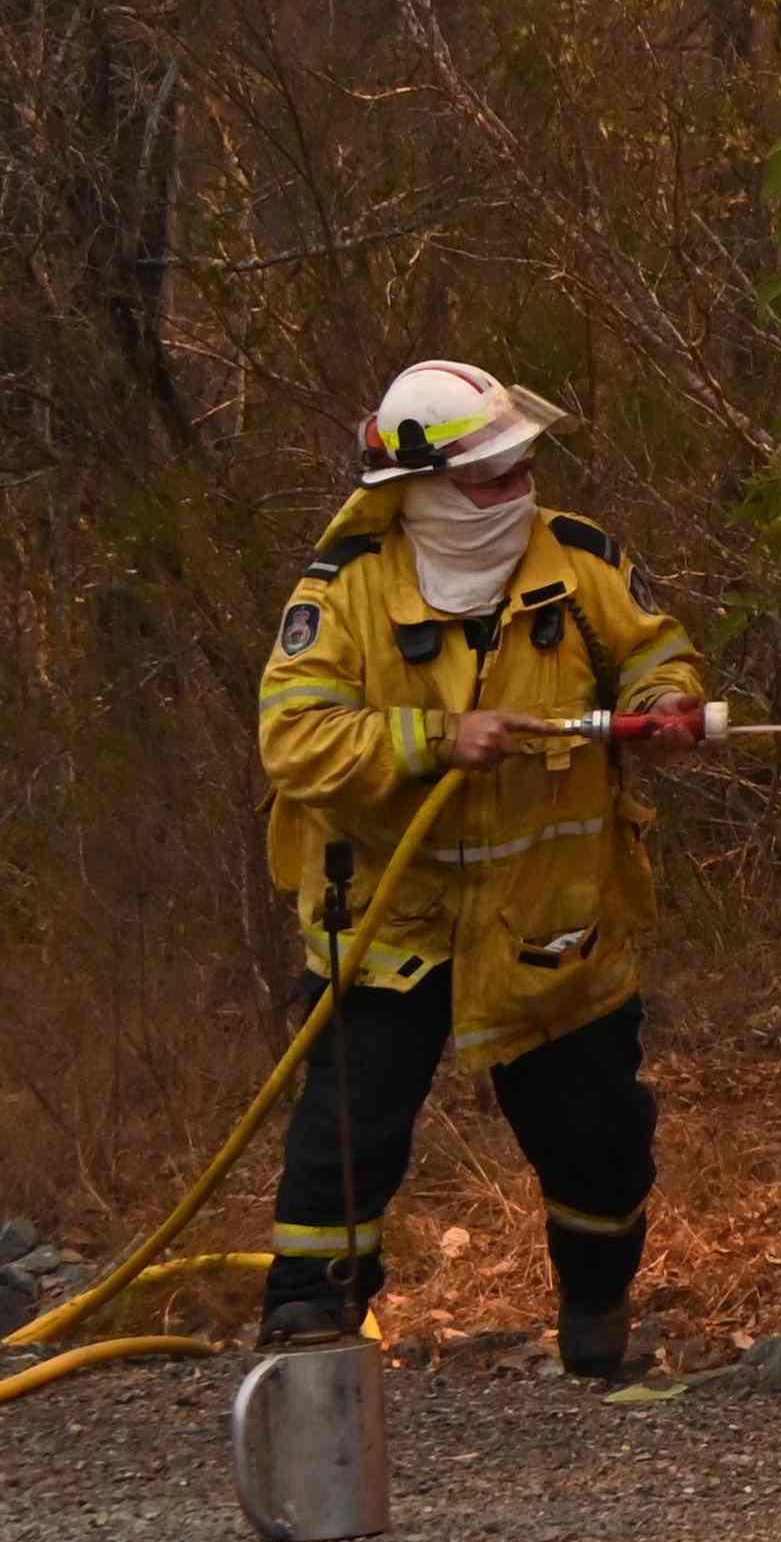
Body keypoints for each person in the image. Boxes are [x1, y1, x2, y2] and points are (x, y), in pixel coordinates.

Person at [252, 359, 712, 1381]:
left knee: (598, 1134)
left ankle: (597, 1317)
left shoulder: (579, 560)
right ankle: (310, 1340)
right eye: (492, 474)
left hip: (552, 923)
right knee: (345, 1139)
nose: (519, 489)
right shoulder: (345, 594)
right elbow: (296, 741)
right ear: (418, 487)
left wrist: (668, 698)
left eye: (522, 466)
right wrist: (431, 737)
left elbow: (654, 647)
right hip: (387, 926)